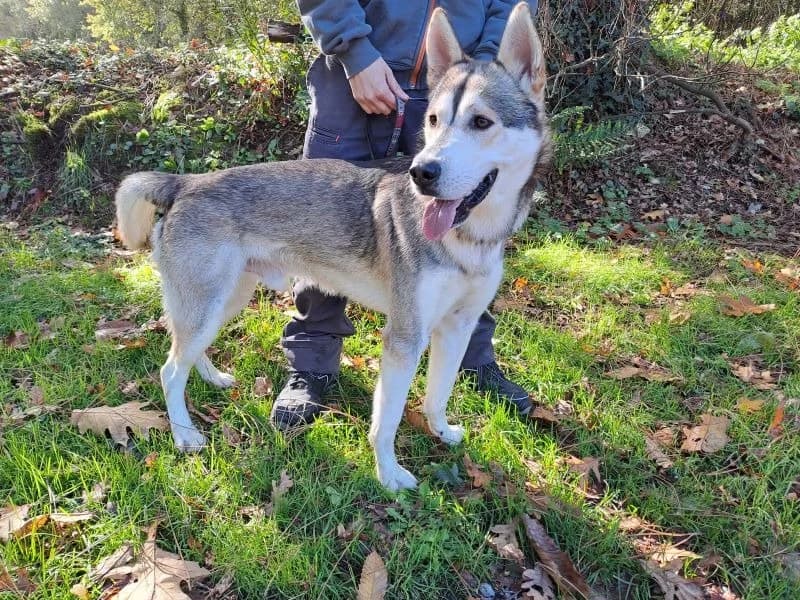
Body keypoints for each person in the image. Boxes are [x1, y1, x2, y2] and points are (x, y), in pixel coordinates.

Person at [270, 0, 539, 430]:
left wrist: (485, 75)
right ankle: (312, 360)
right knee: (320, 231)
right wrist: (355, 52)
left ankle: (471, 354)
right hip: (353, 73)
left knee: (469, 224)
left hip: (455, 78)